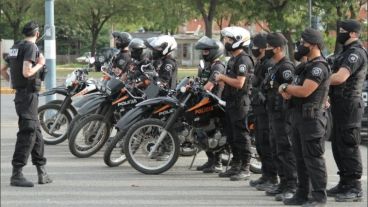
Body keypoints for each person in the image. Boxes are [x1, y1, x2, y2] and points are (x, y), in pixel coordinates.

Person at [279, 28, 330, 207]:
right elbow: (291, 91)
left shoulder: (318, 67)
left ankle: (318, 197)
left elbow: (304, 90)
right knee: (300, 159)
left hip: (312, 120)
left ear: (314, 45)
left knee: (313, 160)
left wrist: (285, 88)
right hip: (298, 117)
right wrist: (287, 89)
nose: (300, 46)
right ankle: (302, 194)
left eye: (303, 43)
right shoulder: (304, 67)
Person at [0, 21, 52, 187]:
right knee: (28, 132)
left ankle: (42, 172)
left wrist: (13, 84)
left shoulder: (16, 46)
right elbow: (27, 72)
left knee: (36, 133)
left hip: (23, 95)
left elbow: (2, 69)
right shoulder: (30, 47)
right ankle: (17, 173)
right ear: (37, 34)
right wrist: (41, 64)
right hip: (28, 96)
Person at [328, 19, 367, 202]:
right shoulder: (343, 52)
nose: (340, 32)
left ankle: (355, 187)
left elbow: (340, 77)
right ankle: (344, 182)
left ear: (353, 34)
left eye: (343, 30)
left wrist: (318, 80)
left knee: (348, 144)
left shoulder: (355, 53)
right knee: (338, 144)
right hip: (340, 104)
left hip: (350, 104)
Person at [214, 26, 254, 181]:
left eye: (229, 40)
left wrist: (222, 78)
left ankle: (245, 167)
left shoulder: (243, 59)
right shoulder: (233, 59)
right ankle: (235, 164)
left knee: (241, 135)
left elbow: (239, 83)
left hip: (240, 103)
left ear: (239, 41)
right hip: (230, 101)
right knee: (231, 136)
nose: (226, 42)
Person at [262, 32, 297, 201]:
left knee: (285, 150)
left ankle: (291, 185)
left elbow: (290, 91)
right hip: (273, 114)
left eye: (269, 47)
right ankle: (283, 183)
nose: (266, 49)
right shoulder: (275, 66)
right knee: (277, 149)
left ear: (277, 49)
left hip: (283, 116)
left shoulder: (286, 67)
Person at [249, 33, 278, 190]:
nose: (253, 49)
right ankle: (266, 175)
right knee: (260, 144)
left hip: (266, 110)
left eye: (256, 47)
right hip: (258, 109)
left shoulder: (269, 64)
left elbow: (267, 88)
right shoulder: (260, 63)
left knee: (267, 144)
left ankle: (272, 177)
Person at [194, 36, 226, 173]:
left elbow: (209, 85)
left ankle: (217, 162)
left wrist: (202, 88)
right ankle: (210, 160)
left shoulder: (218, 66)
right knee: (200, 131)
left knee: (212, 132)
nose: (204, 53)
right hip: (205, 102)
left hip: (215, 103)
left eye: (206, 51)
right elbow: (200, 82)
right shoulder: (208, 66)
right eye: (203, 51)